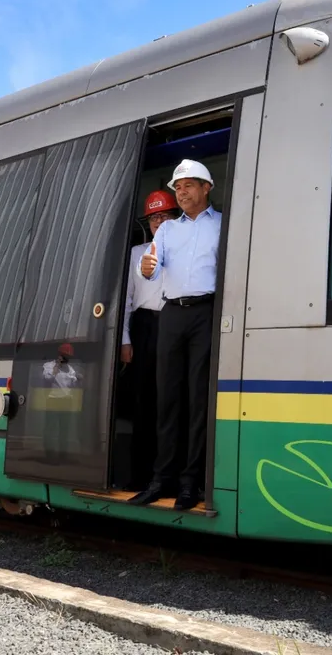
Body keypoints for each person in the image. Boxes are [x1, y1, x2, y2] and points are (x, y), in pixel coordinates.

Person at [130, 159, 221, 511]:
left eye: (187, 185)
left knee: (198, 399)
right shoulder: (167, 231)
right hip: (172, 314)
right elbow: (150, 269)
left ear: (206, 187)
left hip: (205, 312)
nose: (180, 192)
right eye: (177, 187)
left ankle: (190, 484)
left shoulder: (223, 225)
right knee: (166, 398)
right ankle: (160, 479)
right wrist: (147, 267)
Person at [120, 189, 178, 489]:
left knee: (171, 402)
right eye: (154, 217)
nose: (159, 221)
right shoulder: (134, 254)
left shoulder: (184, 251)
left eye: (165, 215)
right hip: (144, 328)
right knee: (143, 403)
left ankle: (168, 476)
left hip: (174, 322)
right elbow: (126, 300)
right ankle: (140, 477)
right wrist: (125, 340)